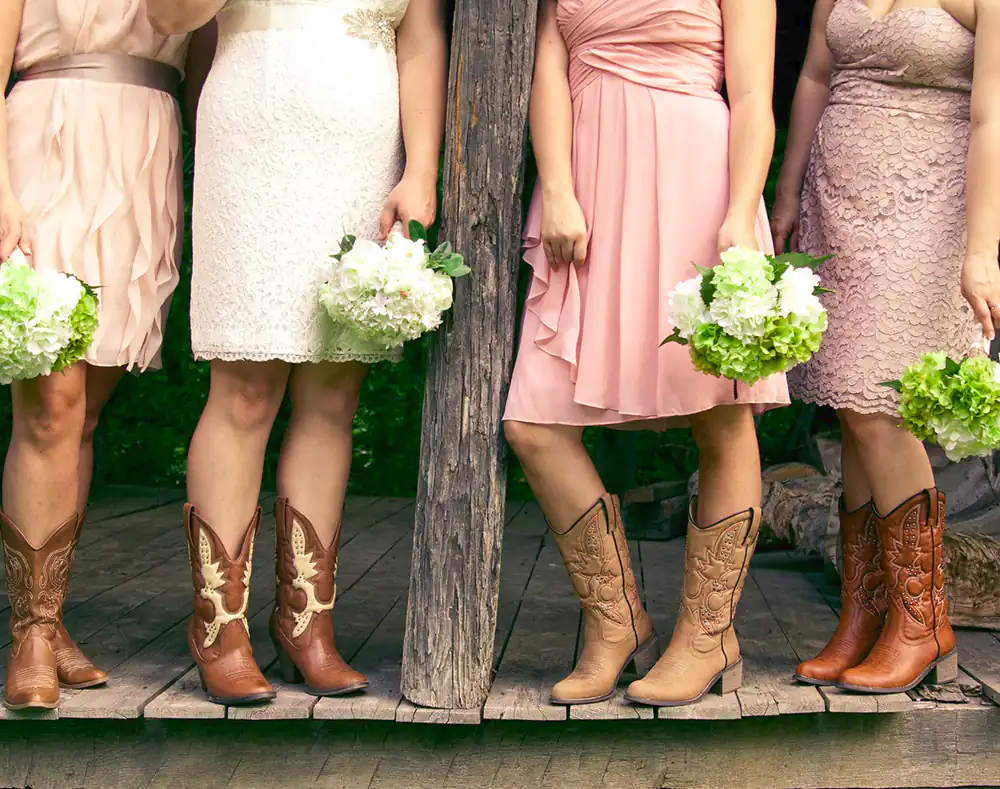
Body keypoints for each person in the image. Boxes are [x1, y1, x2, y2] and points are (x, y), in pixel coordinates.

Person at [146, 0, 447, 705]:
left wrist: (422, 168)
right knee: (245, 386)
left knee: (333, 392)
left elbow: (422, 34)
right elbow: (167, 16)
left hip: (362, 147)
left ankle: (306, 622)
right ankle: (219, 629)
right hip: (256, 125)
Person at [502, 0, 786, 707]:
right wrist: (559, 186)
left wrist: (739, 212)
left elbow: (753, 93)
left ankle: (706, 635)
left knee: (720, 412)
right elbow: (547, 63)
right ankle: (617, 623)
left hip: (698, 178)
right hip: (589, 182)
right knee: (532, 423)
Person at [771, 0, 1000, 693]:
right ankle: (865, 613)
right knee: (849, 404)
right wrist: (786, 192)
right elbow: (813, 77)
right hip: (838, 202)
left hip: (928, 208)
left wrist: (983, 249)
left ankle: (922, 620)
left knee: (882, 408)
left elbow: (994, 118)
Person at [0, 0, 203, 711]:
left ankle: (50, 619)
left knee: (85, 412)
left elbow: (198, 44)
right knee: (51, 403)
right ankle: (29, 633)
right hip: (46, 137)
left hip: (145, 143)